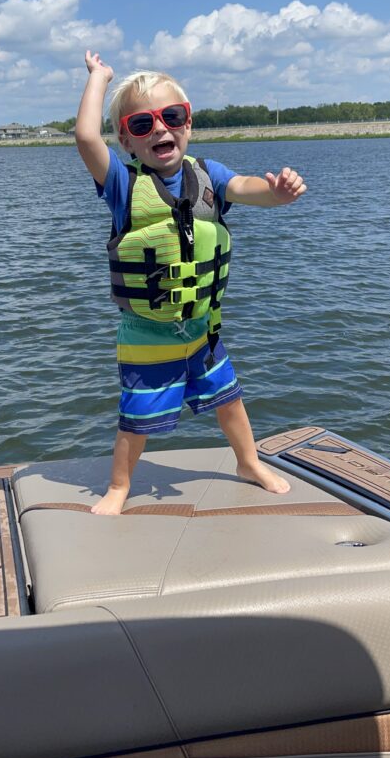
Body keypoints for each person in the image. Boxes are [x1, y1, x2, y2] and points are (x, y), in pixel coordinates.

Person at [75, 50, 307, 515]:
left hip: (203, 328)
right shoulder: (122, 186)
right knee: (135, 420)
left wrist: (277, 193)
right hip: (146, 336)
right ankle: (119, 486)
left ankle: (248, 462)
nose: (161, 129)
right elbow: (84, 136)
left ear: (188, 123)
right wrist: (100, 78)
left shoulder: (208, 175)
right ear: (126, 139)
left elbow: (244, 187)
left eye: (172, 116)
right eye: (143, 124)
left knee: (230, 400)